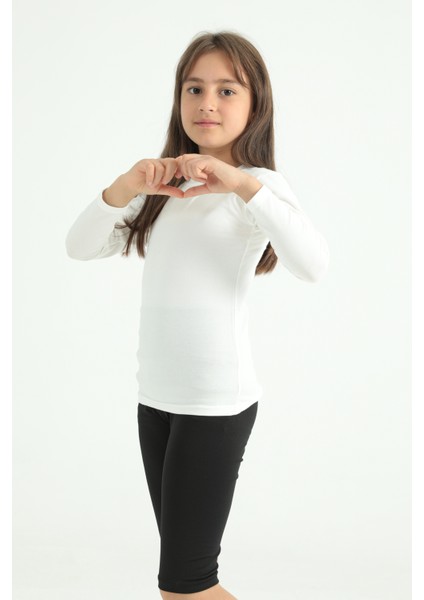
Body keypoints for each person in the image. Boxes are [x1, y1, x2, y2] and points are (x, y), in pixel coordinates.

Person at [65, 30, 330, 600]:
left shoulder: (259, 187)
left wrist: (240, 183)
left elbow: (312, 264)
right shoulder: (164, 187)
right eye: (194, 88)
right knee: (186, 584)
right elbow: (79, 246)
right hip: (156, 401)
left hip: (214, 405)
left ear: (255, 104)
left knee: (186, 586)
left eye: (227, 90)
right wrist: (128, 185)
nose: (207, 102)